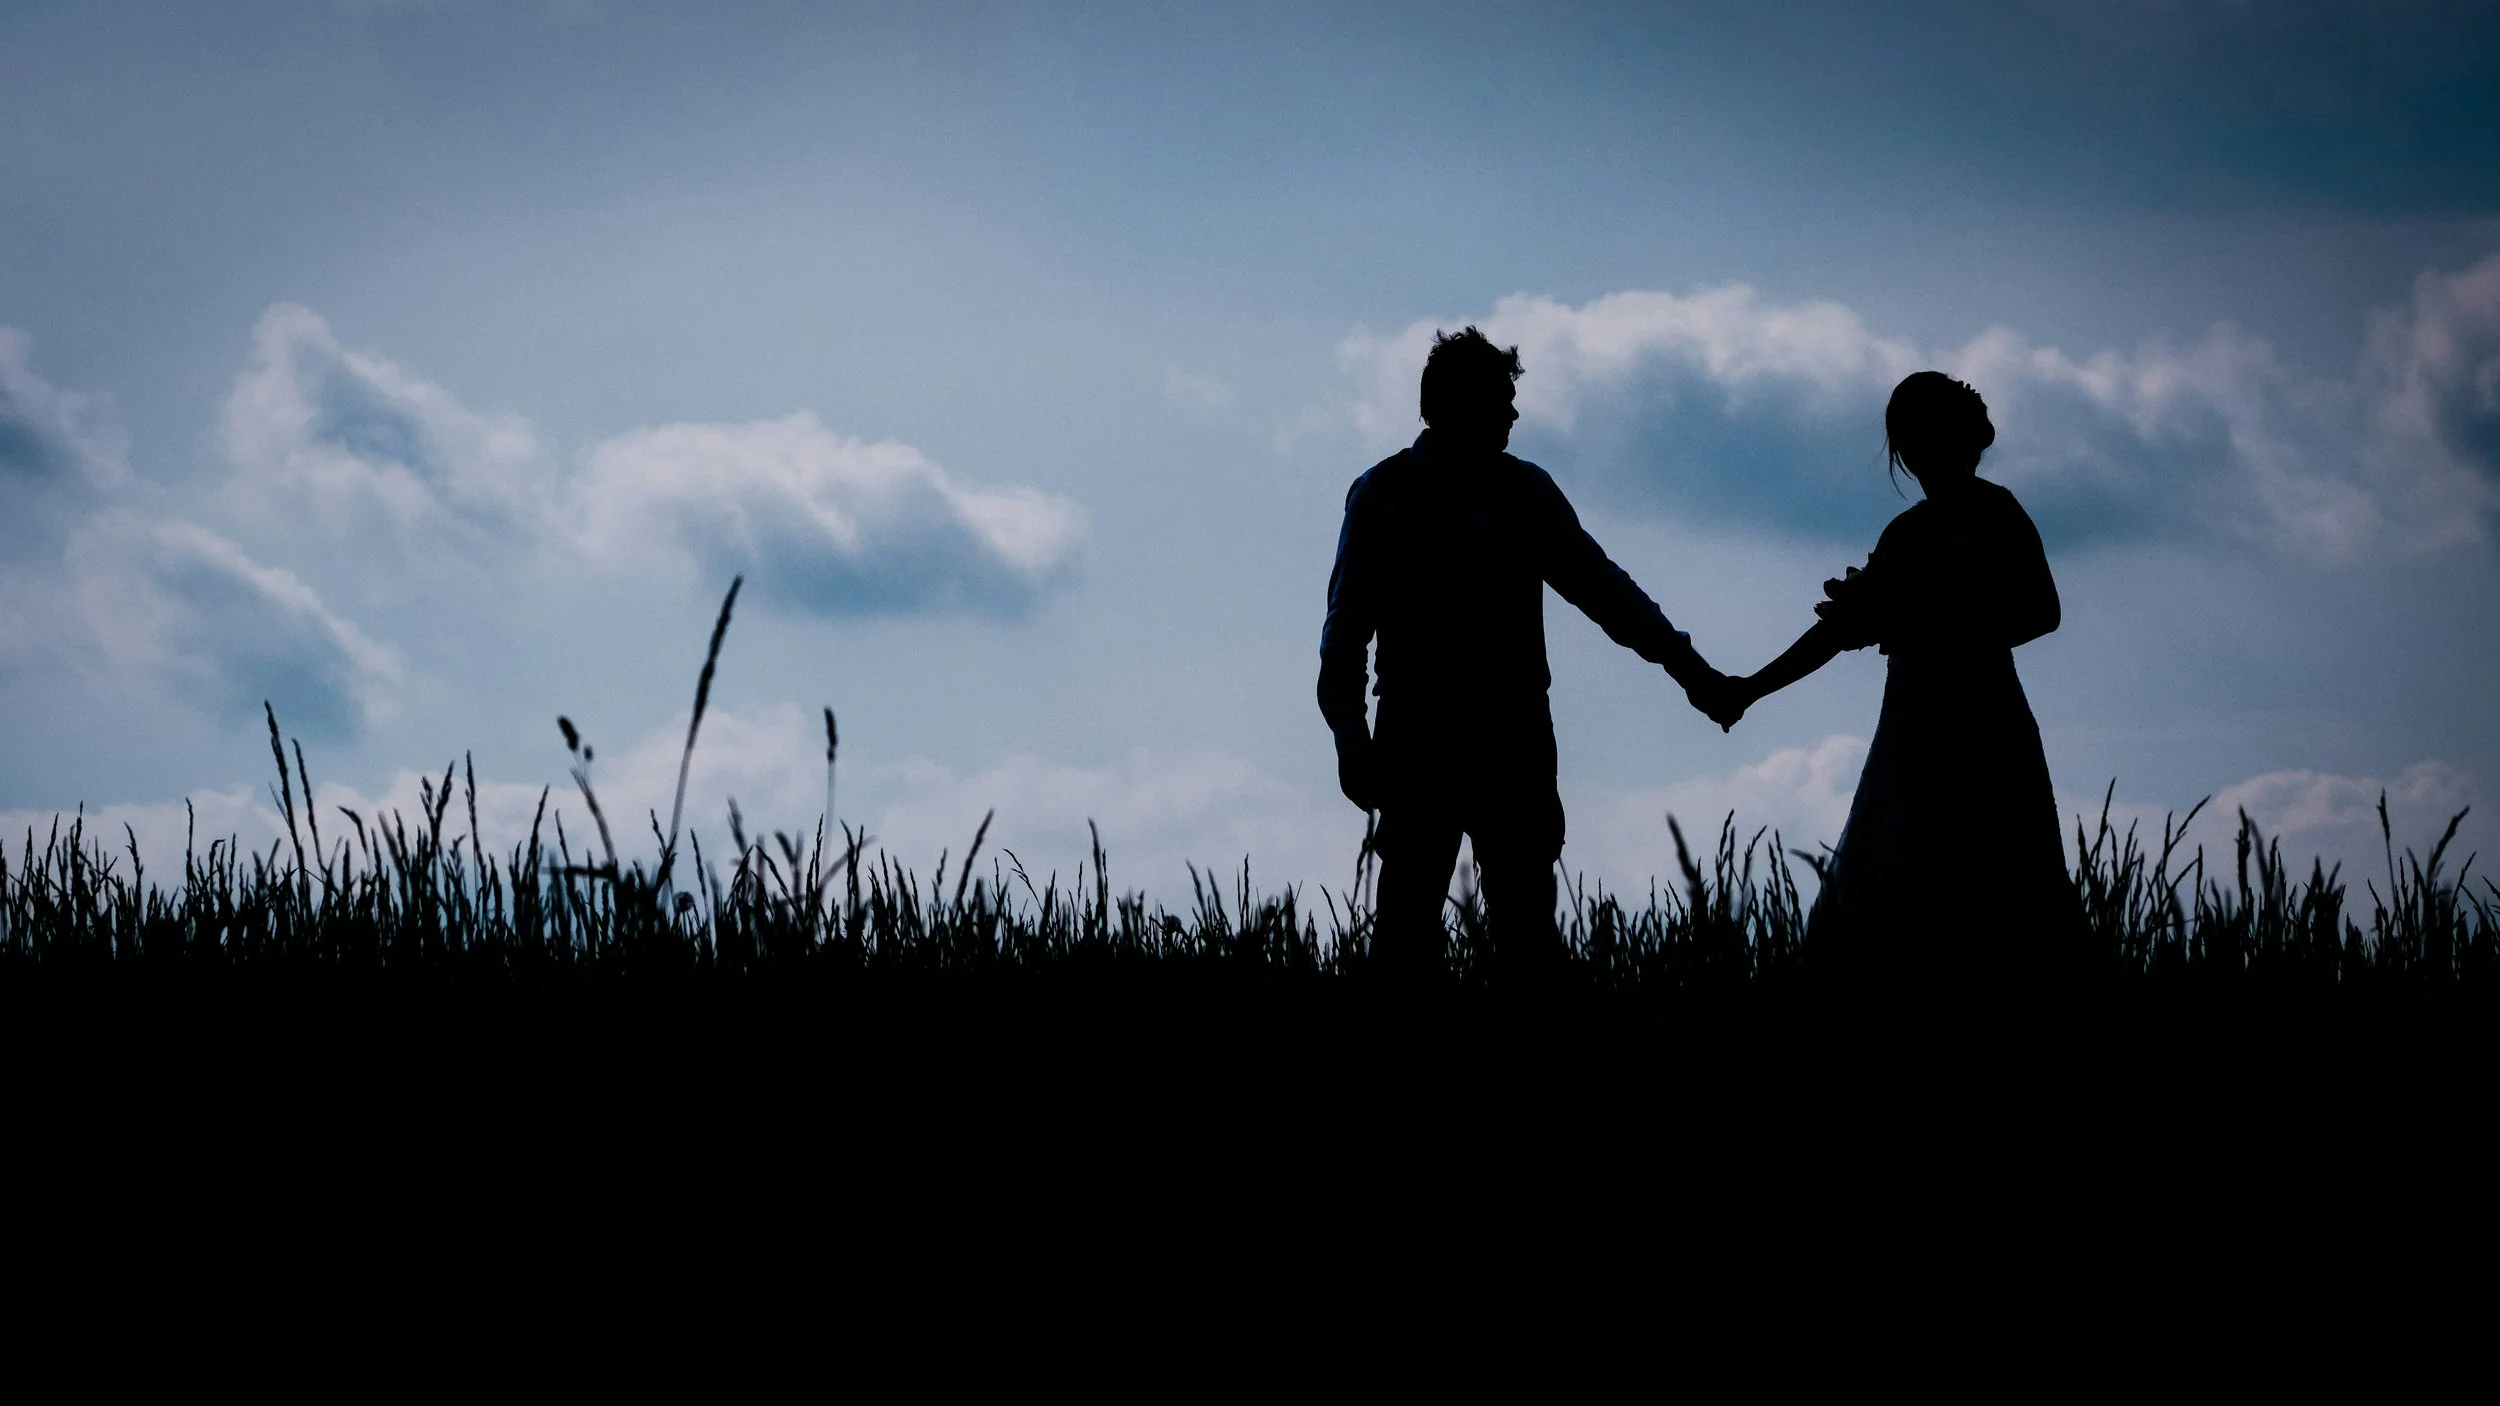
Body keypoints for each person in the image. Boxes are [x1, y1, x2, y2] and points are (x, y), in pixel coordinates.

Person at [1319, 327, 1729, 977]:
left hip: (1487, 735)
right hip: (1442, 736)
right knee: (1420, 936)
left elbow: (1606, 593)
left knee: (1514, 933)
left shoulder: (1491, 492)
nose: (1514, 412)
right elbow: (1344, 635)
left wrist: (1693, 672)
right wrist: (1349, 737)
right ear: (1461, 403)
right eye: (1501, 398)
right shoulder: (1390, 495)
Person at [1704, 372, 2080, 990]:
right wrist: (1748, 688)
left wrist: (1923, 622)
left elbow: (2042, 613)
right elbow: (1840, 629)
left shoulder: (1993, 511)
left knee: (1987, 877)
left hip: (1981, 726)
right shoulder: (1906, 534)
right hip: (1918, 730)